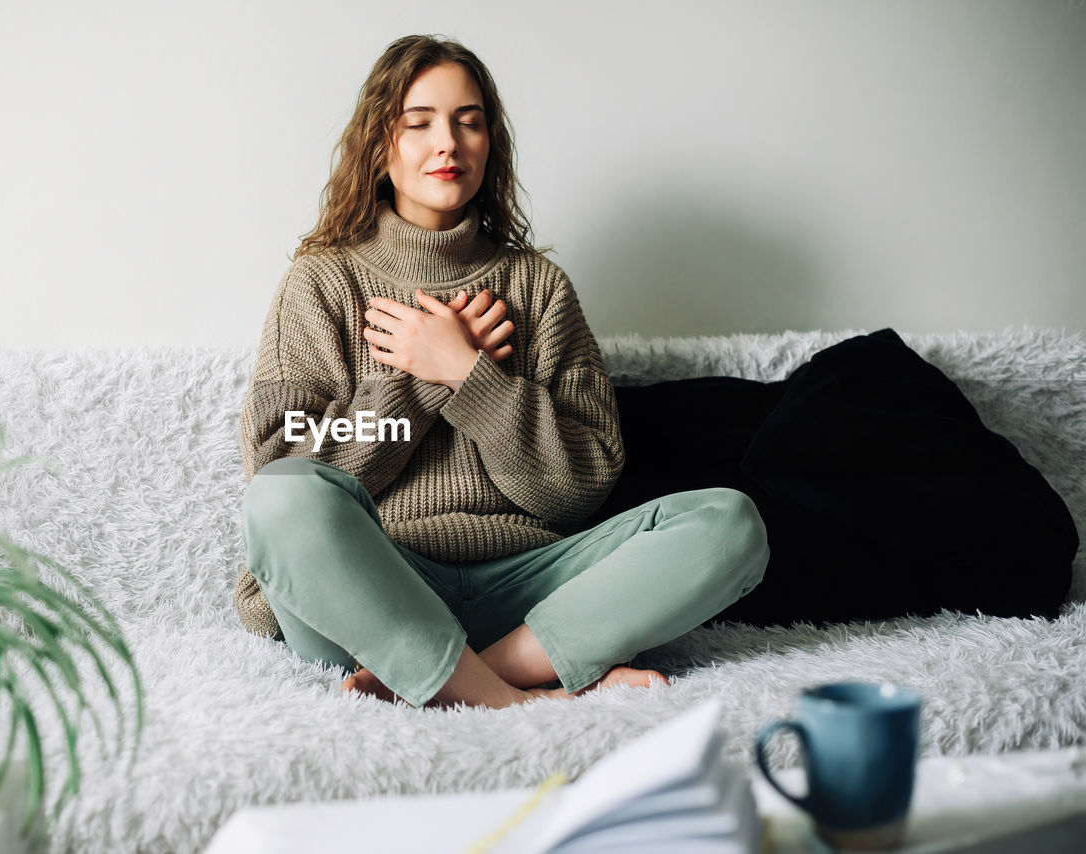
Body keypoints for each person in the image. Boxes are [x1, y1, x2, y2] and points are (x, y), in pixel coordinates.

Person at [236, 34, 769, 710]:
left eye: (470, 120)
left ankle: (467, 678)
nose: (448, 143)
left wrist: (473, 378)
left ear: (491, 143)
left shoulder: (539, 288)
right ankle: (516, 696)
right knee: (281, 497)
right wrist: (420, 384)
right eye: (419, 120)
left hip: (536, 593)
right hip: (377, 593)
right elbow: (286, 458)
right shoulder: (321, 283)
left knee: (732, 524)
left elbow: (578, 485)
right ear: (379, 143)